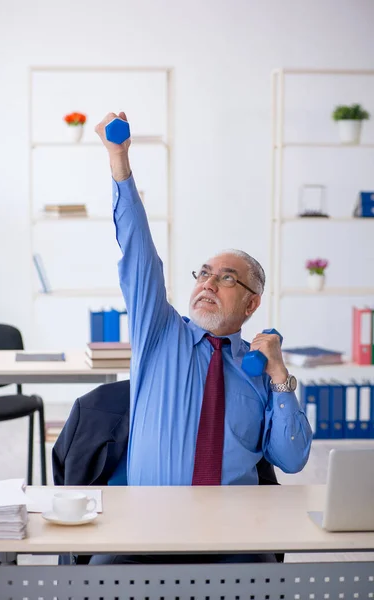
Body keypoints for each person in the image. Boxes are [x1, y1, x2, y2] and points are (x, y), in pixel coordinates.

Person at [91, 111, 313, 564]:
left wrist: (279, 372)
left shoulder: (258, 371)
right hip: (146, 532)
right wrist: (119, 160)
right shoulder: (160, 333)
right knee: (96, 577)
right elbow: (138, 251)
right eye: (205, 274)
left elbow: (291, 460)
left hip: (236, 537)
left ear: (251, 305)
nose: (209, 283)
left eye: (227, 279)